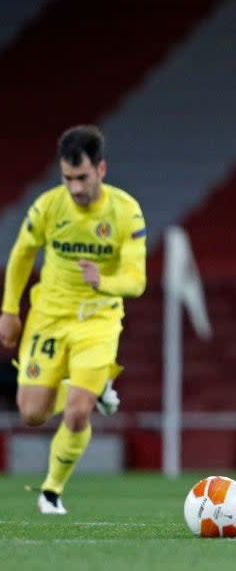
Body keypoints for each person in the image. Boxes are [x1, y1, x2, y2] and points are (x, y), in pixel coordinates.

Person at [0, 125, 146, 514]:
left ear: (101, 169)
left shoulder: (125, 211)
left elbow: (136, 281)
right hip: (49, 316)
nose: (76, 187)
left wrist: (104, 281)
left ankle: (51, 490)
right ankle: (93, 387)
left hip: (98, 321)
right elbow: (21, 254)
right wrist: (9, 310)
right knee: (31, 413)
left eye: (82, 178)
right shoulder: (48, 207)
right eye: (68, 178)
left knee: (77, 411)